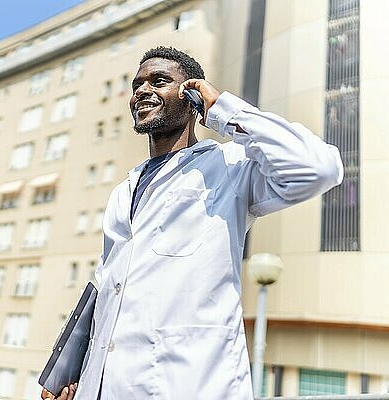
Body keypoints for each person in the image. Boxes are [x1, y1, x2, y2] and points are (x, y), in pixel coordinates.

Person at [42, 46, 343, 400]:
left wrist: (222, 110)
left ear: (190, 96)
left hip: (187, 385)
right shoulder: (123, 192)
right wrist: (77, 375)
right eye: (137, 84)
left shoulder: (228, 167)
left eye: (158, 81)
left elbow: (319, 168)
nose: (141, 90)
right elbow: (109, 289)